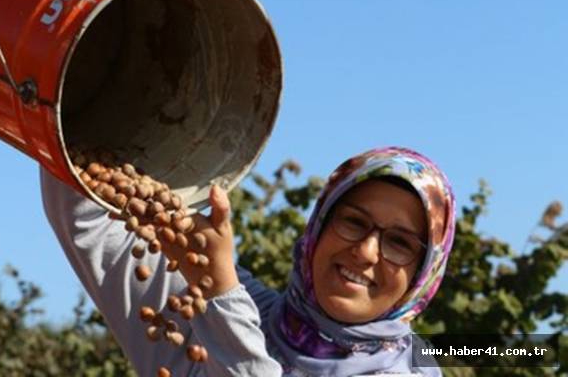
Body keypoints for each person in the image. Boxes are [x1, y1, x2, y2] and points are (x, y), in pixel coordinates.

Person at [41, 146, 455, 376]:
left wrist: (221, 290)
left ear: (423, 274)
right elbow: (93, 216)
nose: (365, 252)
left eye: (399, 243)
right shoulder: (223, 317)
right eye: (352, 222)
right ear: (318, 229)